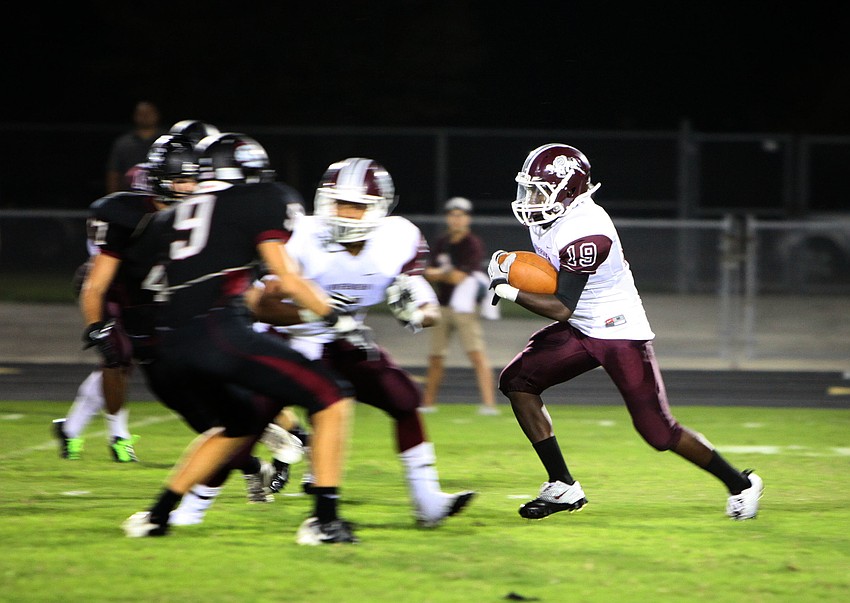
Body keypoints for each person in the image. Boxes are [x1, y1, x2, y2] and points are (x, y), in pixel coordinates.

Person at [488, 143, 764, 521]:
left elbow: (560, 304)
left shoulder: (588, 232)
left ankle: (741, 484)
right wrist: (515, 266)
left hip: (617, 330)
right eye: (529, 188)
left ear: (567, 190)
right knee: (518, 382)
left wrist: (508, 287)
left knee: (658, 431)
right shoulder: (552, 218)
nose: (531, 198)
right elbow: (552, 278)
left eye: (540, 189)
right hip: (581, 325)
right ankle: (562, 486)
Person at [121, 133, 358, 545]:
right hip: (216, 330)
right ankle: (324, 521)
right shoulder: (259, 198)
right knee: (331, 395)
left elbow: (132, 287)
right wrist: (336, 318)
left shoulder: (163, 219)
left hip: (165, 347)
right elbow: (286, 276)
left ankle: (156, 516)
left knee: (239, 423)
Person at [248, 157, 476, 527]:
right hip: (288, 340)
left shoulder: (397, 237)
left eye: (356, 205)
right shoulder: (300, 235)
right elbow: (258, 307)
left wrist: (419, 313)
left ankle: (427, 501)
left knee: (403, 398)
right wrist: (315, 313)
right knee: (243, 421)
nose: (344, 212)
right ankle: (187, 505)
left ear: (378, 209)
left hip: (342, 338)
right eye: (338, 202)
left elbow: (422, 298)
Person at [422, 197, 499, 415]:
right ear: (448, 218)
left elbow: (457, 277)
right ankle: (427, 404)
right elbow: (430, 273)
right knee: (435, 357)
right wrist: (441, 274)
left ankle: (489, 404)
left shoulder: (472, 244)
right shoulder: (442, 242)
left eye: (461, 215)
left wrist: (439, 274)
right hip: (443, 306)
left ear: (467, 219)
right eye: (453, 215)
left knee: (476, 354)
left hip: (465, 309)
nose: (456, 220)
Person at [105, 101, 166, 194]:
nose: (145, 116)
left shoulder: (167, 141)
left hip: (160, 196)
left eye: (149, 113)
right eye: (141, 114)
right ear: (135, 116)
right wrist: (112, 197)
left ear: (157, 115)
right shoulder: (123, 143)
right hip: (129, 197)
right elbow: (114, 172)